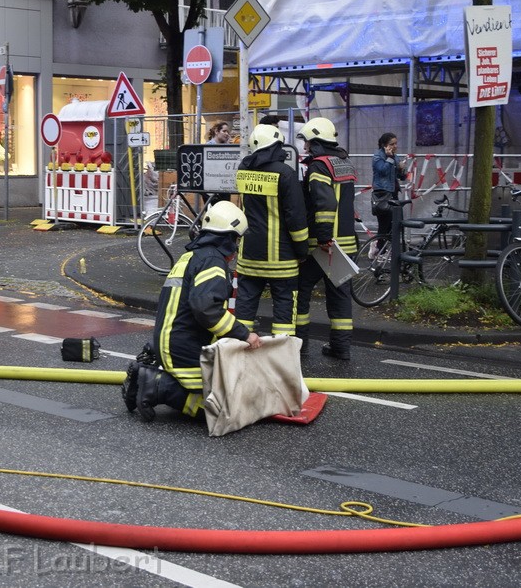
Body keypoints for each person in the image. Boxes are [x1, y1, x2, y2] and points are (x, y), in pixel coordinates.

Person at [121, 200, 262, 422]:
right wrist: (244, 334)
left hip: (172, 343)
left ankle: (151, 378)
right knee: (224, 412)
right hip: (183, 348)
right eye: (236, 239)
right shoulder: (212, 261)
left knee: (229, 396)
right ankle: (155, 385)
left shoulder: (193, 256)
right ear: (228, 238)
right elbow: (206, 309)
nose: (236, 247)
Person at [234, 123, 310, 338]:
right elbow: (295, 217)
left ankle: (239, 349)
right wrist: (302, 251)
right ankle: (281, 354)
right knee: (284, 305)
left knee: (245, 306)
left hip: (249, 255)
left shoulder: (243, 169)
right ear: (277, 146)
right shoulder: (285, 173)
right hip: (282, 258)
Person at [295, 117, 357, 360]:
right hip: (346, 243)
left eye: (308, 143)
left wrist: (323, 238)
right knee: (340, 295)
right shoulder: (345, 163)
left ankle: (298, 347)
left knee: (301, 290)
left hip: (322, 245)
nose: (306, 148)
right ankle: (341, 348)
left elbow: (325, 203)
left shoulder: (319, 166)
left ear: (317, 142)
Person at [371, 132, 406, 252]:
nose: (395, 146)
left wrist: (402, 169)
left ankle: (389, 249)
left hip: (393, 192)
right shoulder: (378, 156)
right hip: (382, 194)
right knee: (384, 224)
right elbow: (382, 171)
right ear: (384, 145)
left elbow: (401, 177)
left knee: (396, 223)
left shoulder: (395, 156)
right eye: (392, 144)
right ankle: (379, 249)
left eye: (396, 143)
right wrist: (389, 158)